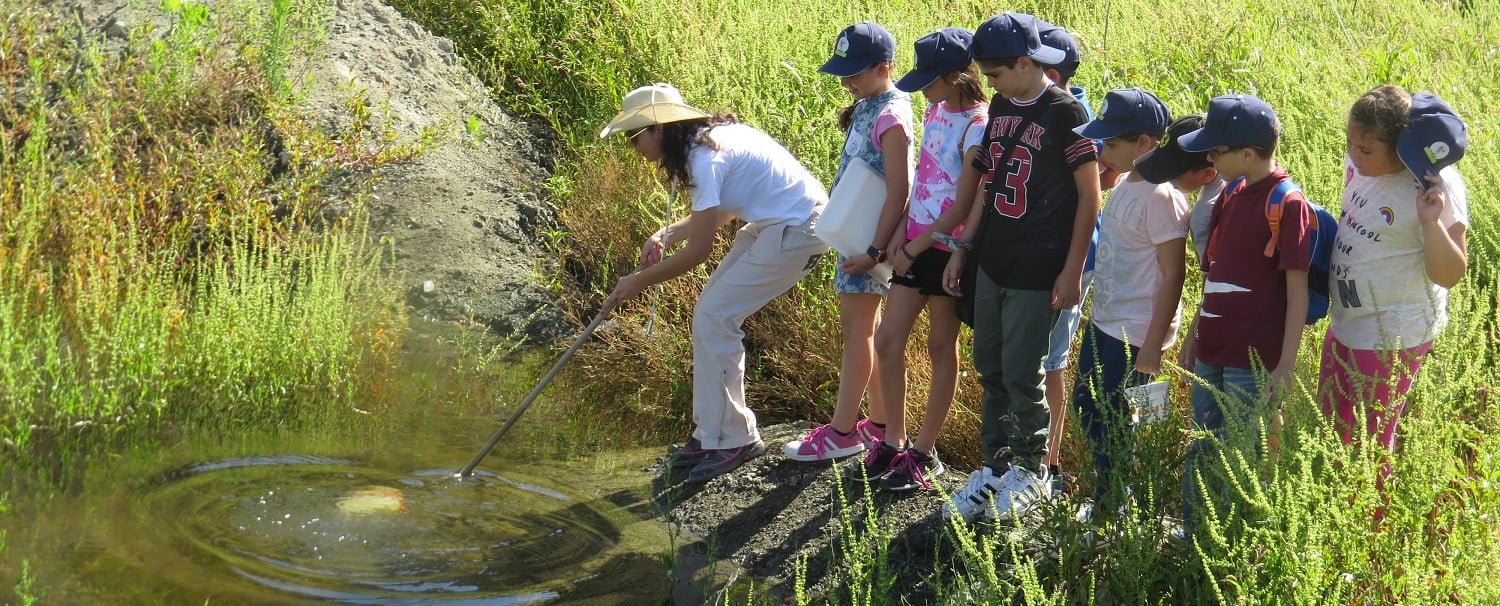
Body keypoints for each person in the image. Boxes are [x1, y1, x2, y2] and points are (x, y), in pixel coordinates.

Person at [600, 83, 830, 483]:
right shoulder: (708, 144)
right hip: (777, 224)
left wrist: (637, 281)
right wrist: (665, 234)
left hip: (800, 229)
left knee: (715, 316)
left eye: (634, 137)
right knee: (712, 315)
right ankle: (712, 433)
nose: (633, 148)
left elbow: (699, 253)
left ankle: (734, 438)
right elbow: (719, 214)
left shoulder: (704, 159)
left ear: (658, 130)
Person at [940, 13, 1102, 523]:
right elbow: (987, 183)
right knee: (989, 364)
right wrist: (964, 248)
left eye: (997, 74)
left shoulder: (1065, 111)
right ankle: (996, 465)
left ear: (1027, 63)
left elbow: (1089, 194)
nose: (992, 84)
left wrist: (1072, 268)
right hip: (995, 257)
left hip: (1039, 264)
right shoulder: (1005, 105)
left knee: (1023, 371)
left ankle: (1033, 472)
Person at [1174, 93, 1313, 527]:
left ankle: (1232, 543)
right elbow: (1214, 275)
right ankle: (1195, 534)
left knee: (1240, 451)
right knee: (1201, 443)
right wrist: (1194, 333)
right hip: (1212, 348)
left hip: (1251, 360)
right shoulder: (1230, 195)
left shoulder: (1288, 205)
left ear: (1249, 154)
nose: (1210, 157)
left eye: (1218, 151)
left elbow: (1298, 294)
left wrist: (1285, 364)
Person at [784, 22, 914, 469]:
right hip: (853, 236)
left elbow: (900, 189)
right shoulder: (868, 104)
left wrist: (876, 251)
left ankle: (841, 433)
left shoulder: (892, 114)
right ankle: (877, 424)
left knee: (857, 335)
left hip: (868, 244)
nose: (847, 81)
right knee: (867, 334)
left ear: (885, 67)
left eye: (855, 72)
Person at [866, 27, 988, 491]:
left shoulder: (979, 124)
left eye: (931, 80)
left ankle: (925, 450)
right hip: (914, 241)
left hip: (946, 251)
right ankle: (894, 441)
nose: (925, 89)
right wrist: (900, 233)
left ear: (957, 76)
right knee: (887, 340)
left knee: (941, 347)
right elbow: (922, 182)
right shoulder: (935, 110)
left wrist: (915, 248)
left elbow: (962, 202)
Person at [1319, 86, 1468, 452]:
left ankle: (1371, 511)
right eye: (1350, 143)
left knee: (1369, 444)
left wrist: (1431, 223)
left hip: (1392, 331)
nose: (1353, 155)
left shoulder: (1435, 187)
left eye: (1365, 150)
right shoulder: (1359, 161)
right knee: (1331, 427)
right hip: (1346, 320)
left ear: (1403, 148)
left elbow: (1449, 274)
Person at [1068, 88, 1185, 521]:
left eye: (1112, 143)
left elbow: (1174, 274)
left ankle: (1117, 505)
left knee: (1122, 419)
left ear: (1145, 144)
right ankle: (1112, 495)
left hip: (1137, 332)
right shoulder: (1123, 184)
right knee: (1088, 404)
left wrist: (1153, 346)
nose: (1103, 149)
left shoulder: (1161, 197)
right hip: (1105, 321)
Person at [1034, 20, 1103, 494]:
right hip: (1032, 255)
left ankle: (1050, 464)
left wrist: (1071, 268)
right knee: (1030, 359)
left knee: (1052, 362)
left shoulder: (1078, 116)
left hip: (1069, 258)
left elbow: (1097, 188)